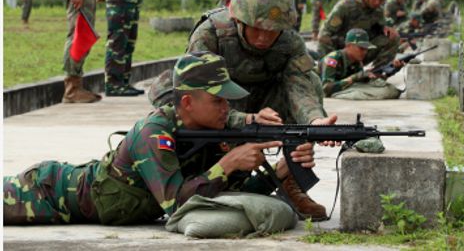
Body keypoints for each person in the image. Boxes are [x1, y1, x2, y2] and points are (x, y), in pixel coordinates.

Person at [3, 51, 317, 225]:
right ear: (187, 103)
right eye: (218, 100)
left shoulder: (209, 131)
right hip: (46, 193)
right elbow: (176, 203)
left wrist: (276, 175)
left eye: (227, 100)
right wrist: (227, 163)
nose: (227, 108)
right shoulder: (154, 132)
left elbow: (218, 195)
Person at [149, 0, 335, 220]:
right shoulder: (211, 34)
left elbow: (299, 87)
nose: (263, 38)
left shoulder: (290, 42)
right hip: (219, 104)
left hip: (264, 107)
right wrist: (243, 119)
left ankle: (291, 181)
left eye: (272, 31)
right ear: (238, 18)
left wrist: (314, 122)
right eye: (256, 28)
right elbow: (197, 93)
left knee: (311, 80)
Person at [318, 0, 403, 69]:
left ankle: (378, 73)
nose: (377, 2)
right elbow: (324, 36)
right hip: (339, 55)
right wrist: (330, 64)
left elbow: (383, 29)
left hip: (359, 54)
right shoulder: (346, 6)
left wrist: (386, 29)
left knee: (393, 37)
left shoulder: (378, 11)